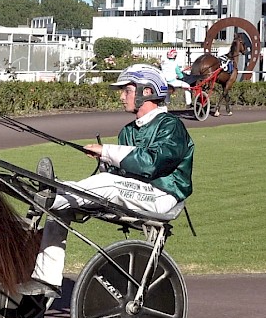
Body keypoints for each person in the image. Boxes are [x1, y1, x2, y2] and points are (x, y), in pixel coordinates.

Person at [18, 63, 195, 299]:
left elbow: (151, 164)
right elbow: (120, 174)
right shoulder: (129, 131)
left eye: (127, 91)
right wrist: (105, 161)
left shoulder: (171, 126)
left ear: (147, 92)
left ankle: (53, 194)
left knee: (106, 185)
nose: (122, 97)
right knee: (65, 207)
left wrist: (107, 151)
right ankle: (46, 279)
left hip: (163, 196)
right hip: (133, 191)